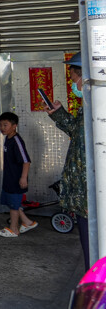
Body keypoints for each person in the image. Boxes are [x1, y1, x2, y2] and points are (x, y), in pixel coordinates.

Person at [47, 52, 89, 268]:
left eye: (72, 78)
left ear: (83, 77)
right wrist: (58, 113)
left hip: (91, 197)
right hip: (84, 197)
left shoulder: (99, 107)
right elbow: (77, 132)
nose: (73, 83)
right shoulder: (88, 107)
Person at [0, 111, 37, 238]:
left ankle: (14, 229)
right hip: (9, 177)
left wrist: (23, 178)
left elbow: (26, 161)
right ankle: (27, 222)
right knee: (11, 202)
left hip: (16, 179)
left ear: (14, 126)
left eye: (5, 125)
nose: (2, 128)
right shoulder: (7, 138)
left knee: (13, 205)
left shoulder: (17, 141)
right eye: (0, 125)